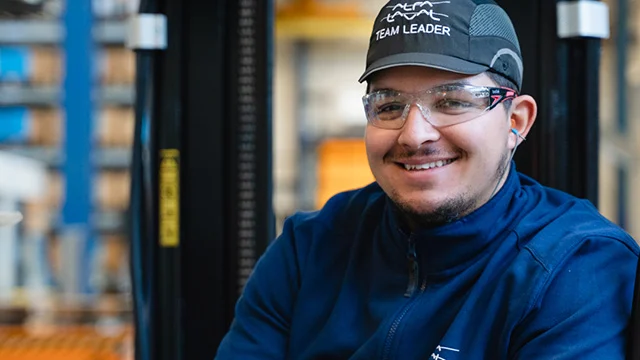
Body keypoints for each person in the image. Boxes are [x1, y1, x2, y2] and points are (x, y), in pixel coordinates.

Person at [216, 0, 639, 358]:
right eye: (388, 106)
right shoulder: (309, 248)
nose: (414, 134)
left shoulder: (577, 267)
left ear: (516, 121)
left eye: (453, 101)